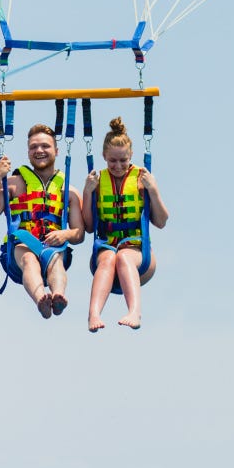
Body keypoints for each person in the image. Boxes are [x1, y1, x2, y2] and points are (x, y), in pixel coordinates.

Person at [0, 124, 84, 319]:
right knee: (29, 259)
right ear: (28, 152)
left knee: (55, 261)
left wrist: (65, 234)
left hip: (54, 247)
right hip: (20, 246)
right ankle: (41, 300)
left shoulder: (69, 190)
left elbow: (79, 234)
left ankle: (58, 295)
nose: (39, 151)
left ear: (56, 150)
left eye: (45, 146)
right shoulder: (12, 183)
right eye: (33, 147)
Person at [82, 117, 169, 331]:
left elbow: (161, 221)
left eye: (123, 160)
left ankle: (135, 311)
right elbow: (89, 226)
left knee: (122, 257)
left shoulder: (141, 178)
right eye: (112, 161)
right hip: (107, 245)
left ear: (130, 156)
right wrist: (87, 192)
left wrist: (153, 190)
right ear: (104, 157)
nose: (118, 166)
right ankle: (93, 313)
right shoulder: (98, 180)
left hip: (138, 249)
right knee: (109, 259)